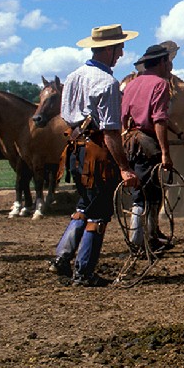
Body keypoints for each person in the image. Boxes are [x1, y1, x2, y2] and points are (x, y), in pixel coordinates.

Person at [49, 24, 141, 287]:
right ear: (109, 50)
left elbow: (67, 116)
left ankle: (62, 257)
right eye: (120, 47)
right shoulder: (108, 84)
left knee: (83, 205)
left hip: (75, 151)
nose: (122, 53)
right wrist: (124, 167)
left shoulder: (75, 76)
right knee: (99, 213)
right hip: (97, 154)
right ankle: (84, 271)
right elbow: (111, 132)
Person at [121, 42, 184, 253]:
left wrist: (179, 133)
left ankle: (149, 237)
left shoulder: (132, 84)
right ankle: (139, 242)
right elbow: (159, 119)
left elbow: (124, 118)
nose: (170, 65)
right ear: (161, 62)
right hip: (147, 144)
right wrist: (165, 154)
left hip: (130, 143)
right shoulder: (160, 84)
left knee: (147, 191)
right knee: (146, 194)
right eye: (168, 61)